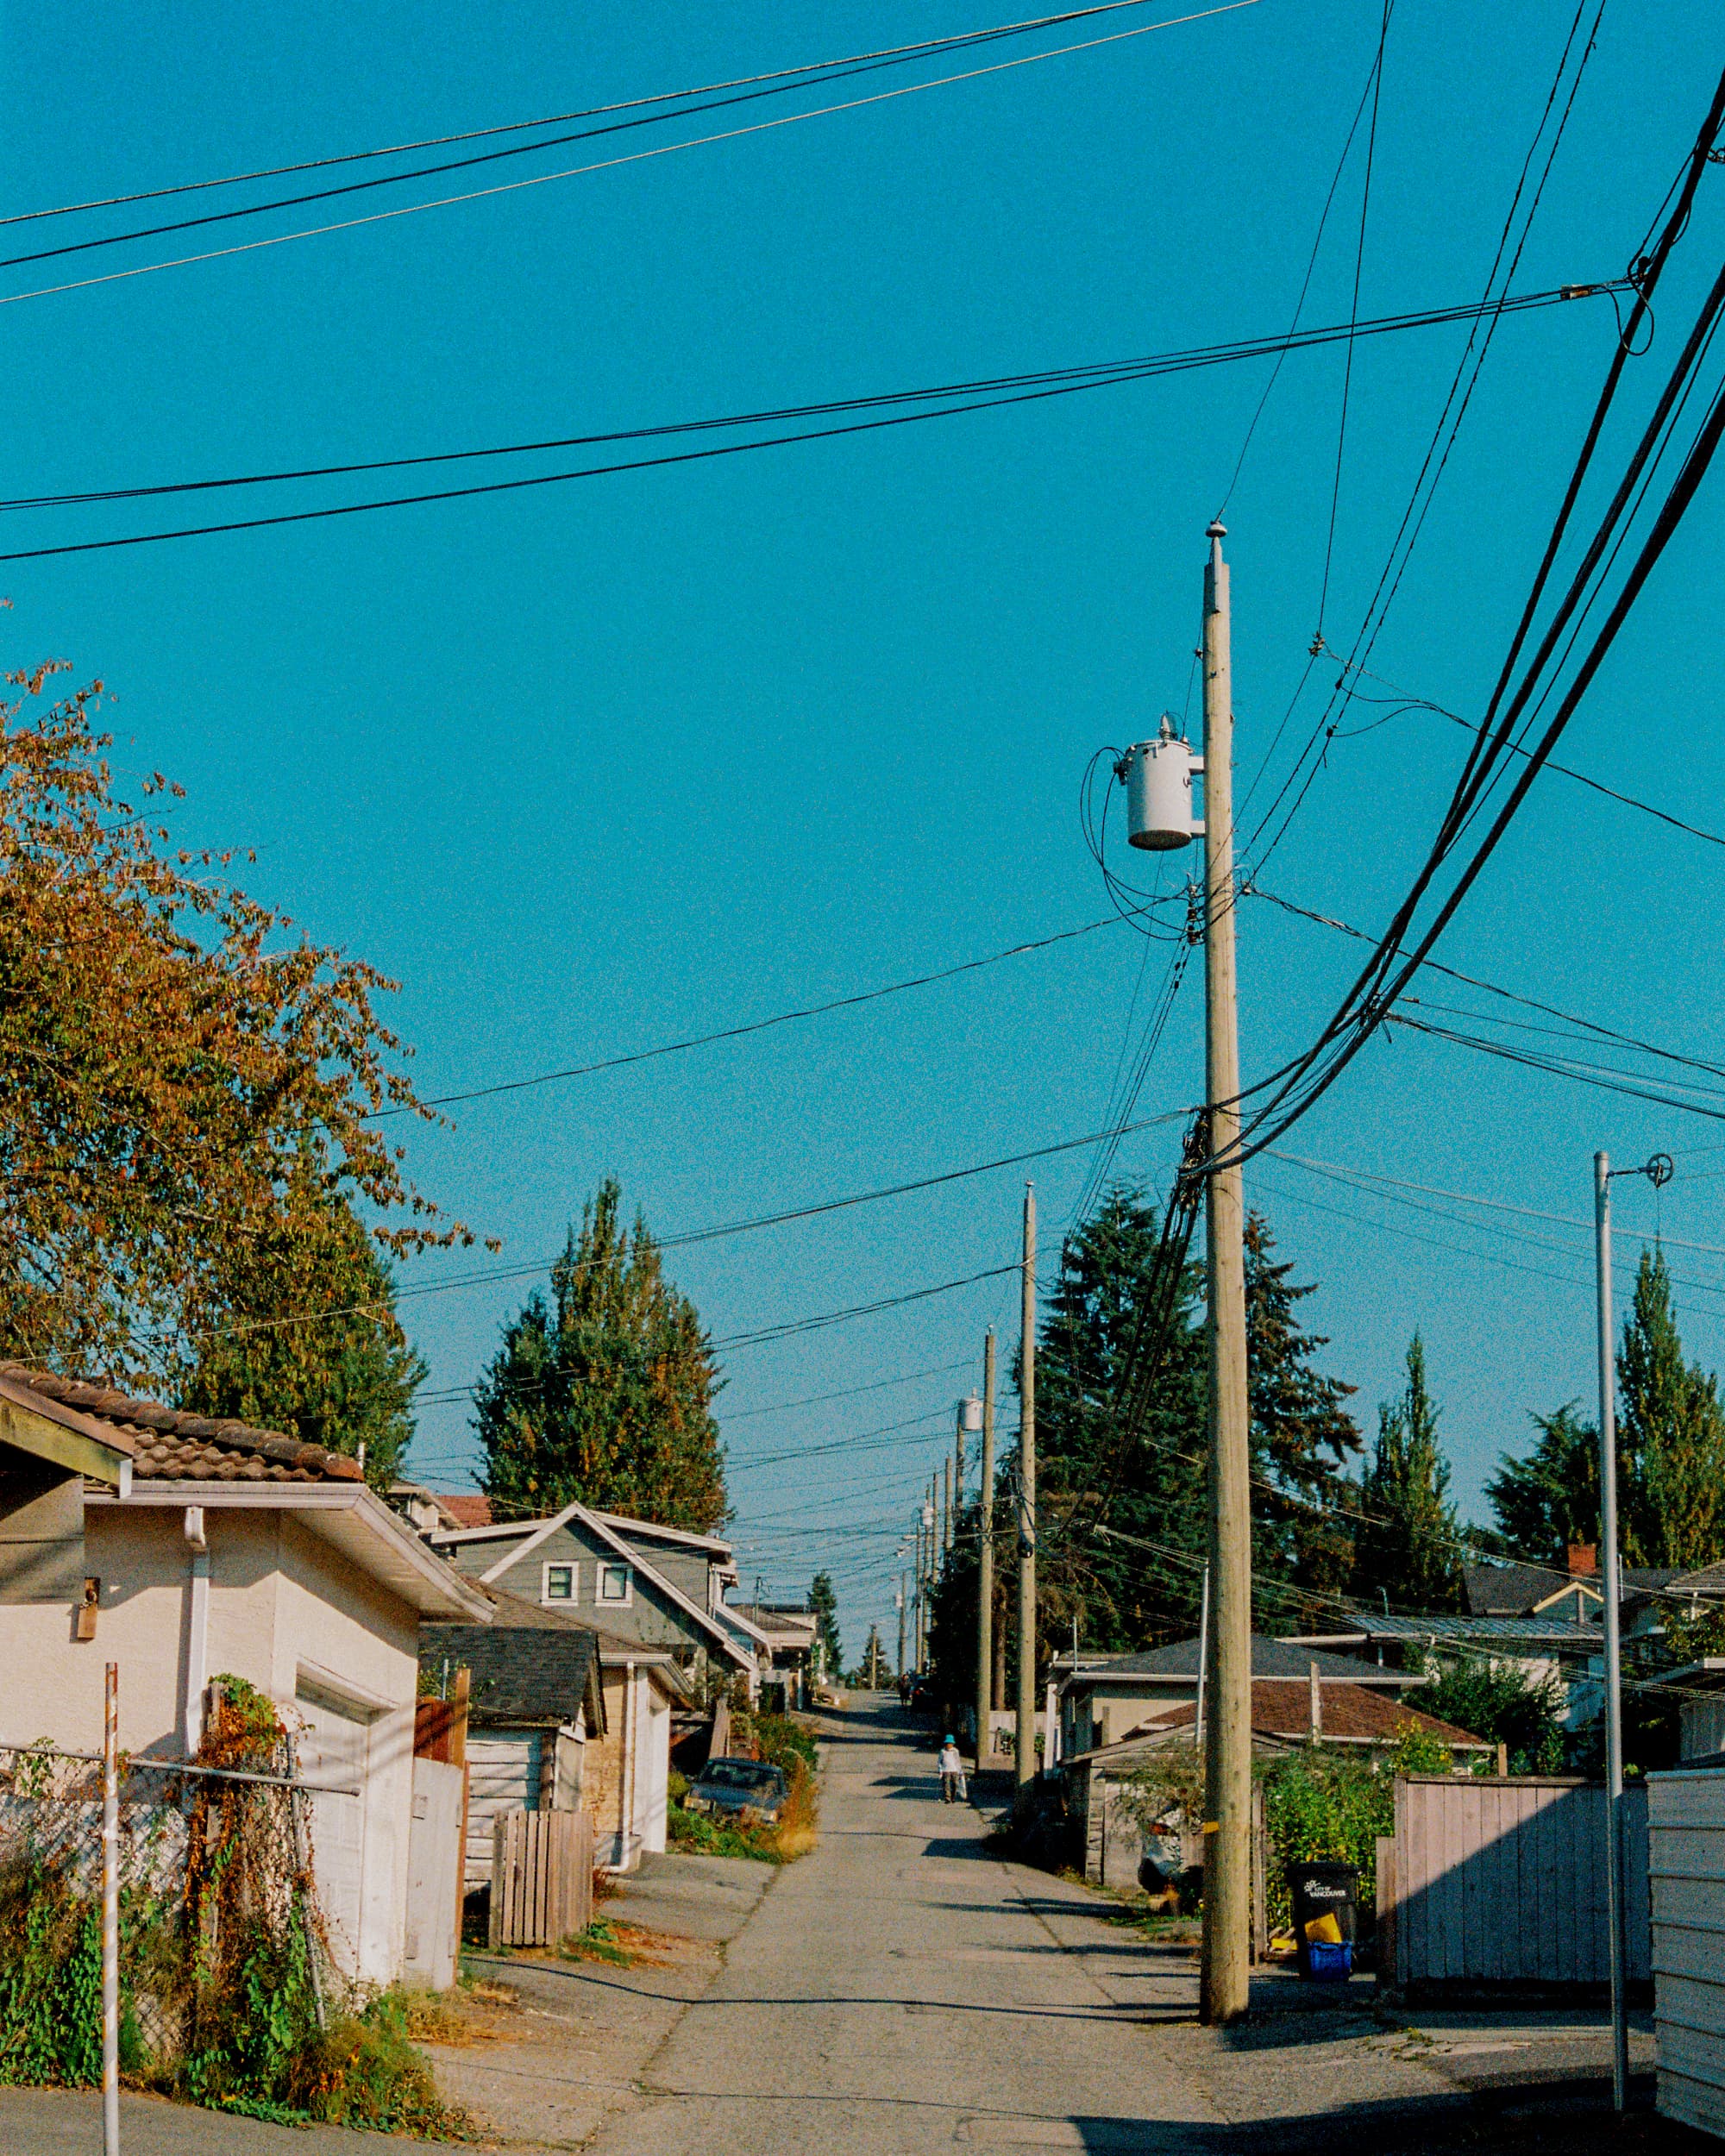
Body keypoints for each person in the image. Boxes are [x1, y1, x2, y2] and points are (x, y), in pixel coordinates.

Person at [938, 1734, 964, 1804]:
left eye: (950, 1743)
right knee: (946, 1784)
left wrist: (960, 1771)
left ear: (953, 1744)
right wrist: (940, 1770)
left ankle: (953, 1797)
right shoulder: (943, 1751)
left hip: (954, 1770)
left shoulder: (955, 1751)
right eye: (947, 1743)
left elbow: (958, 1761)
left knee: (956, 1784)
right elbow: (939, 1762)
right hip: (945, 1770)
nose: (948, 1745)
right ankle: (947, 1798)